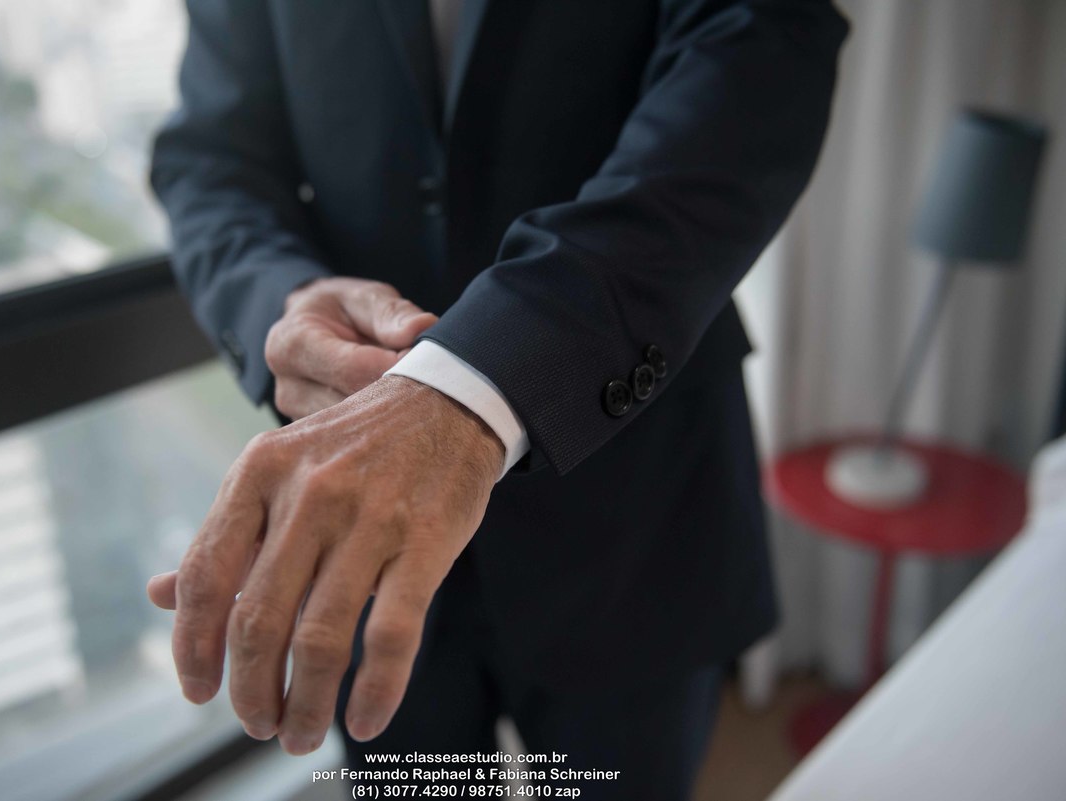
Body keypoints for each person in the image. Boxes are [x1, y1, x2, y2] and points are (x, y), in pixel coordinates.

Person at [146, 1, 847, 798]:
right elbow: (209, 160)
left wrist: (476, 383)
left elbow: (757, 63)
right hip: (361, 536)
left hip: (630, 512)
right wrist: (287, 299)